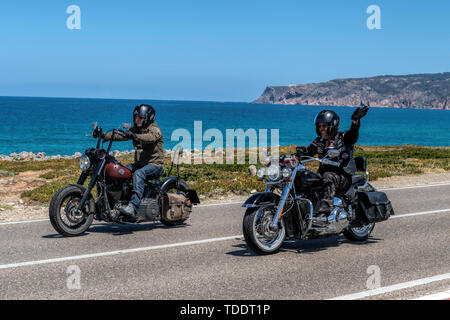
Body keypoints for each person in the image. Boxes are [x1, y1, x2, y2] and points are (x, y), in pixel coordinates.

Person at [298, 102, 370, 216]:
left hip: (343, 175)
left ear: (333, 125)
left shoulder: (343, 137)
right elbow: (308, 153)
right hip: (323, 174)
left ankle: (325, 211)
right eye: (319, 126)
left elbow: (353, 136)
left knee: (328, 177)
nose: (321, 128)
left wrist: (355, 121)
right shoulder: (318, 141)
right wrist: (295, 156)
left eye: (324, 126)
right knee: (306, 179)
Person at [100, 104, 165, 220]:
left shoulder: (154, 129)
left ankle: (133, 206)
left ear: (148, 118)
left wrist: (135, 136)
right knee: (121, 171)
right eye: (136, 117)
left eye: (140, 118)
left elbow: (150, 137)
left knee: (139, 173)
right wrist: (104, 135)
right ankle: (114, 203)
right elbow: (121, 136)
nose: (137, 120)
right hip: (140, 164)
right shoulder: (136, 129)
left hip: (155, 165)